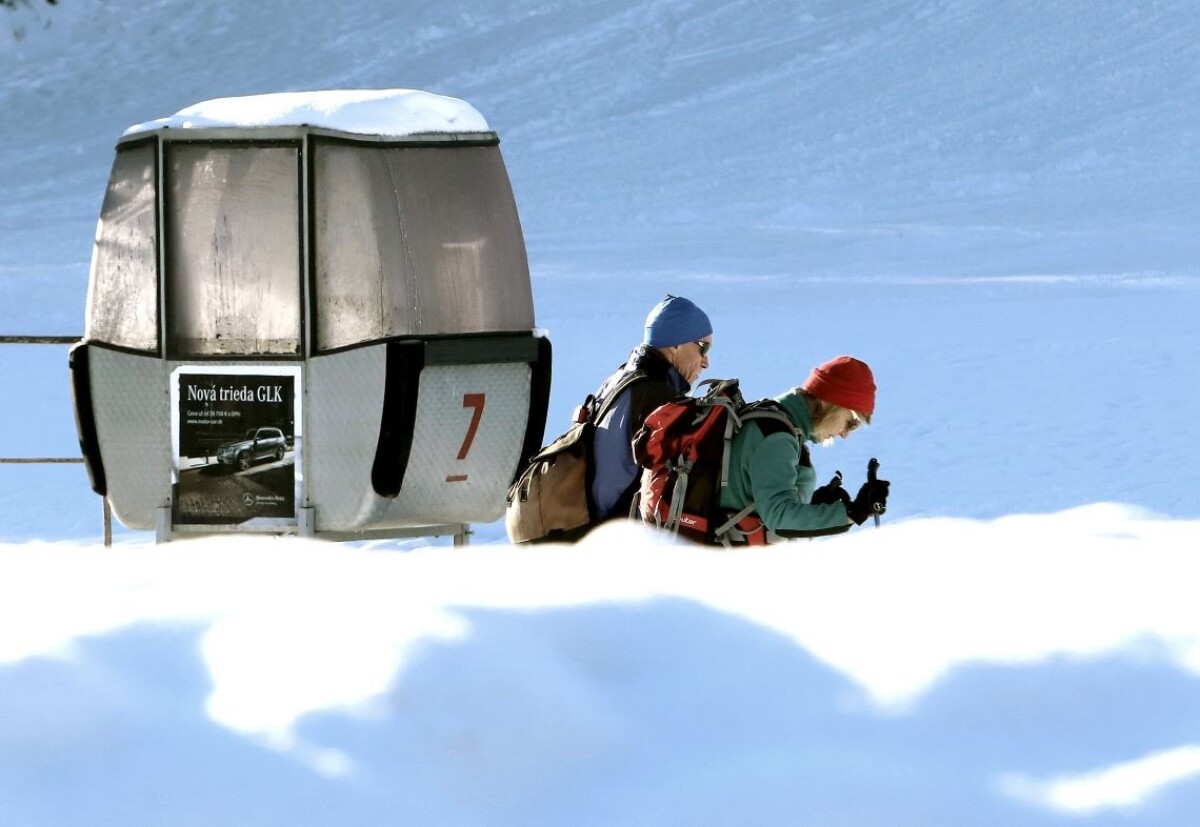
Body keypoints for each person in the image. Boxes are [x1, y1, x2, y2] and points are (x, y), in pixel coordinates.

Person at [719, 355, 890, 538]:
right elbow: (779, 517)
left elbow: (756, 498)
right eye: (850, 422)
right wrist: (855, 512)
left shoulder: (777, 421)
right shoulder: (776, 437)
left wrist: (813, 505)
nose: (845, 433)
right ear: (829, 402)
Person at [589, 295, 713, 523]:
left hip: (595, 525)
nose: (706, 362)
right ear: (676, 344)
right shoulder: (659, 399)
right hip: (624, 534)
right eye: (703, 348)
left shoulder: (618, 380)